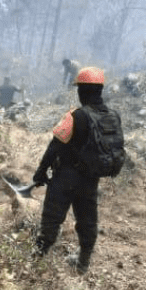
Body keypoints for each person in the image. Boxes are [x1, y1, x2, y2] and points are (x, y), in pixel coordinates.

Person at [30, 66, 119, 273]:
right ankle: (83, 263)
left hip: (66, 178)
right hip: (90, 180)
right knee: (88, 220)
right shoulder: (112, 116)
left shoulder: (75, 116)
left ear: (83, 91)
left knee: (52, 219)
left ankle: (36, 261)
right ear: (100, 90)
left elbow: (54, 147)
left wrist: (41, 172)